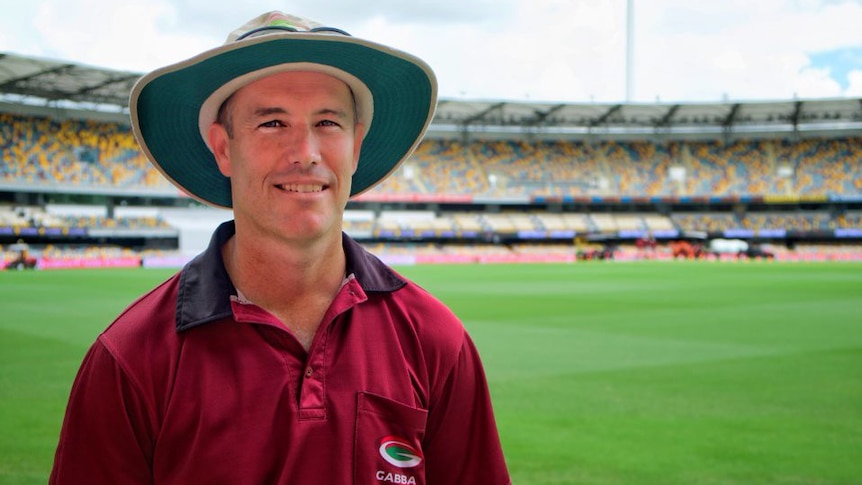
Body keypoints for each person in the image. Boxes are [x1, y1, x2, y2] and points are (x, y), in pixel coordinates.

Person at [50, 11, 510, 485]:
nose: (306, 152)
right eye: (272, 123)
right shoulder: (131, 358)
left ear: (355, 146)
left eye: (328, 122)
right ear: (223, 149)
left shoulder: (436, 340)